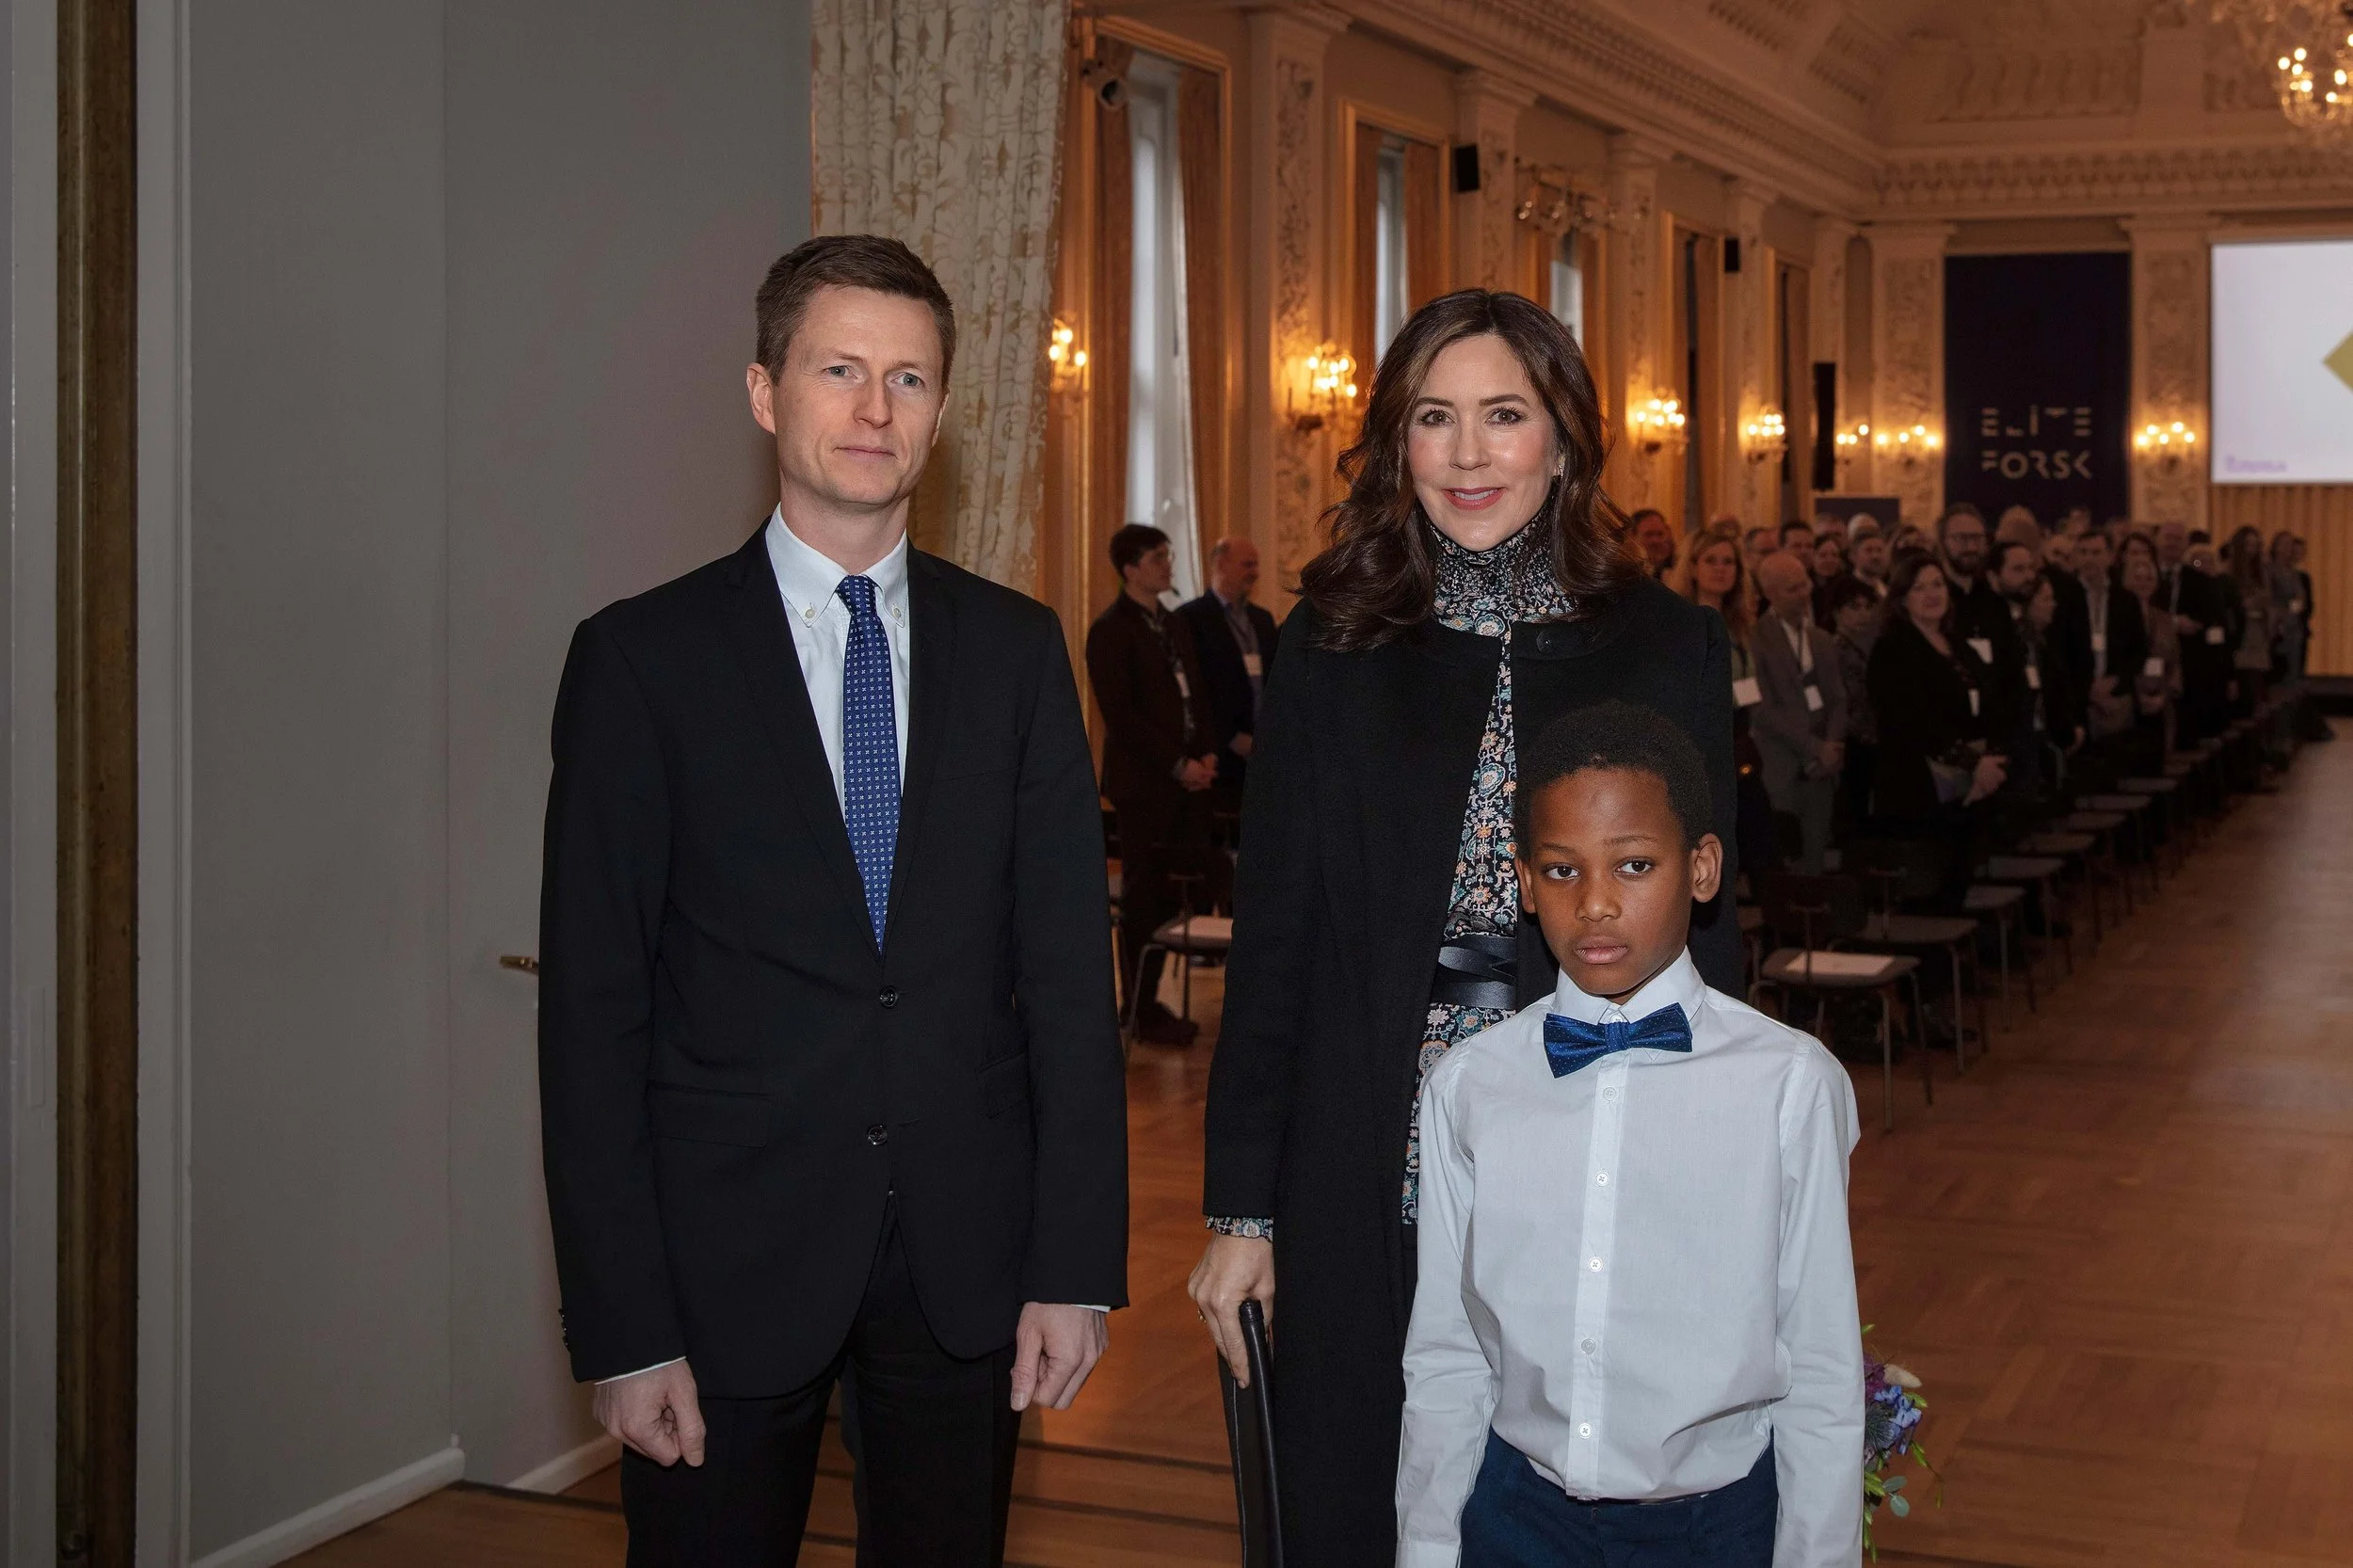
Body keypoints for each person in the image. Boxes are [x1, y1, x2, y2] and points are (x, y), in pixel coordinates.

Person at [538, 234, 1127, 1568]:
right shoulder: (642, 661)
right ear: (765, 392)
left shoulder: (1017, 649)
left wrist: (1072, 1263)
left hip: (965, 1267)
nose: (875, 409)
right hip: (719, 1264)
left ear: (940, 410)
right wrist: (623, 1327)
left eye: (908, 378)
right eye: (839, 370)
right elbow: (590, 1018)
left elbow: (1063, 979)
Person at [1187, 288, 1740, 1566]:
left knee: (1572, 1504)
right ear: (1398, 441)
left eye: (1504, 414)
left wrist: (1715, 1183)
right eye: (1435, 418)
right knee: (1360, 1492)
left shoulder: (1670, 644)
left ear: (1565, 436)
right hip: (1362, 1140)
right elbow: (1275, 942)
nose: (1470, 452)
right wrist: (1240, 1212)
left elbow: (1708, 942)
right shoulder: (1330, 642)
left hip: (1599, 1124)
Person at [1396, 702, 1862, 1568]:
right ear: (1524, 883)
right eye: (1561, 870)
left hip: (1715, 1529)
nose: (1597, 903)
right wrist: (1426, 1549)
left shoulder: (1789, 1086)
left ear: (1702, 868)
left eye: (1635, 865)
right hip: (1513, 1517)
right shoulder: (1469, 1084)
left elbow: (1823, 1363)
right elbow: (1448, 1350)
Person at [1089, 523, 1221, 1046]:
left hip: (1188, 781)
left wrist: (1206, 752)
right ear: (1130, 569)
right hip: (1145, 787)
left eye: (1168, 555)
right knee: (1144, 897)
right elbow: (1122, 717)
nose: (1168, 565)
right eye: (1157, 558)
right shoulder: (1110, 630)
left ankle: (1154, 1002)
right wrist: (1177, 764)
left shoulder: (1173, 622)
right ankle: (1138, 1007)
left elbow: (1198, 694)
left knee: (1172, 896)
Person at [1868, 551, 2006, 829]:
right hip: (1920, 785)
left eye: (1938, 584)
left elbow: (1991, 699)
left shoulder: (1957, 643)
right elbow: (1909, 720)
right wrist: (1973, 763)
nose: (1932, 594)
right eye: (1919, 588)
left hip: (1974, 779)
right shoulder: (1892, 649)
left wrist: (1988, 762)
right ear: (1902, 599)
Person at [1673, 523, 1779, 882]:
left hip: (1740, 738)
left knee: (1757, 836)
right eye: (1711, 561)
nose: (1721, 569)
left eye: (1728, 562)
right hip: (1700, 741)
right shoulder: (1681, 622)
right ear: (1693, 567)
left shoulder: (1740, 624)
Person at [1177, 534, 1282, 825]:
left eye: (1256, 565)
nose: (1254, 572)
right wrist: (1230, 737)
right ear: (1220, 565)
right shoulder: (1190, 618)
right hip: (1217, 755)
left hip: (1261, 751)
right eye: (1247, 564)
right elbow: (1197, 689)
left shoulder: (1262, 620)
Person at [1753, 552, 1846, 874]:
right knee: (1784, 862)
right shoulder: (1755, 638)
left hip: (1823, 769)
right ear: (1770, 593)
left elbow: (1838, 699)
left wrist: (1832, 746)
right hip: (1781, 765)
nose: (1803, 594)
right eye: (1792, 589)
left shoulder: (1820, 639)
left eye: (1804, 585)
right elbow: (1761, 709)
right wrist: (1813, 746)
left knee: (1815, 859)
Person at [2074, 529, 2149, 750]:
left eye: (2096, 552)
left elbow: (2139, 651)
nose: (2089, 559)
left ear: (2109, 556)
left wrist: (2115, 681)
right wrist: (2087, 688)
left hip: (2116, 696)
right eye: (2083, 552)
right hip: (2077, 700)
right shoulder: (2065, 596)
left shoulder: (2126, 600)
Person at [2156, 520, 2227, 743]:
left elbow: (2207, 621)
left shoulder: (2201, 581)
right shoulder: (2144, 576)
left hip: (2189, 664)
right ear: (2158, 540)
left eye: (2178, 539)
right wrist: (2173, 622)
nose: (2172, 543)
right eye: (2168, 538)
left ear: (2186, 544)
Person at [1823, 575, 1882, 828]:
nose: (1863, 614)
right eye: (1854, 607)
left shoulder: (1871, 646)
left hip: (1872, 735)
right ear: (1837, 612)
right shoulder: (1834, 648)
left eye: (1867, 607)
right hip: (1851, 738)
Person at [2119, 533, 2179, 770]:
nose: (2143, 583)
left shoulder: (2164, 619)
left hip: (2161, 700)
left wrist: (2165, 694)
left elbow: (2175, 663)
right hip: (2130, 701)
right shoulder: (2118, 617)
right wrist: (2138, 695)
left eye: (2148, 578)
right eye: (2137, 578)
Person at [1847, 517, 1890, 599]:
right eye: (1869, 550)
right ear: (1853, 556)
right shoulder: (1845, 590)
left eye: (1879, 550)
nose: (1875, 556)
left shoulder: (1888, 589)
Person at [1631, 507, 1677, 578]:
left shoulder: (1675, 568)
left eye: (1660, 534)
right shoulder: (1626, 571)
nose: (1656, 540)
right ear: (1633, 536)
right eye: (1649, 534)